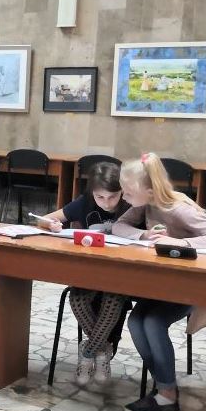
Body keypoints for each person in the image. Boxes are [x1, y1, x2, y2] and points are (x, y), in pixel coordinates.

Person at [113, 152, 206, 411]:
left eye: (128, 193)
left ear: (148, 190)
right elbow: (119, 226)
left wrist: (181, 243)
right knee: (136, 321)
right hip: (163, 284)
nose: (123, 198)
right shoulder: (145, 203)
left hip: (191, 285)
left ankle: (167, 395)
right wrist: (144, 234)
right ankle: (165, 385)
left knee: (152, 322)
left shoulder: (177, 208)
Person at [35, 162, 132, 383]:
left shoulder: (130, 205)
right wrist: (51, 225)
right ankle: (103, 350)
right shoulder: (85, 202)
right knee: (77, 299)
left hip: (120, 274)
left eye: (113, 197)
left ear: (122, 191)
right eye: (100, 197)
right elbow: (43, 219)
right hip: (89, 271)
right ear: (92, 193)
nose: (106, 203)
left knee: (113, 300)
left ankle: (88, 352)